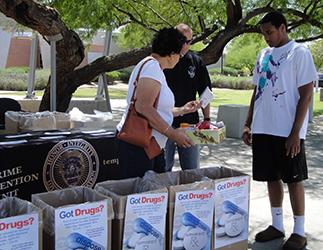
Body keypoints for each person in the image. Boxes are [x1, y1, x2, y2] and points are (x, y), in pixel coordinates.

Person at [242, 11, 317, 250]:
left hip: (287, 131)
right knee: (270, 178)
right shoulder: (263, 54)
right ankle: (276, 225)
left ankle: (299, 231)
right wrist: (248, 122)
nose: (266, 38)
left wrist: (296, 133)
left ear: (283, 28)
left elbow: (306, 95)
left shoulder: (299, 53)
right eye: (264, 33)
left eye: (270, 32)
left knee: (294, 180)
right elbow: (257, 91)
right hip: (263, 128)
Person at [116, 28, 201, 179]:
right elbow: (143, 107)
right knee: (143, 196)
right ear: (171, 54)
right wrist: (172, 133)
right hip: (139, 146)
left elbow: (157, 109)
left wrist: (182, 110)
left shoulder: (154, 68)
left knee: (154, 194)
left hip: (150, 146)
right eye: (180, 55)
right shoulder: (152, 67)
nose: (180, 58)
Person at [164, 23, 212, 171]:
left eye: (189, 41)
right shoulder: (163, 60)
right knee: (163, 168)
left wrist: (207, 119)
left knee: (191, 169)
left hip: (189, 124)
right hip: (165, 122)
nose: (186, 44)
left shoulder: (195, 61)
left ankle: (190, 194)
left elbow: (206, 92)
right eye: (182, 40)